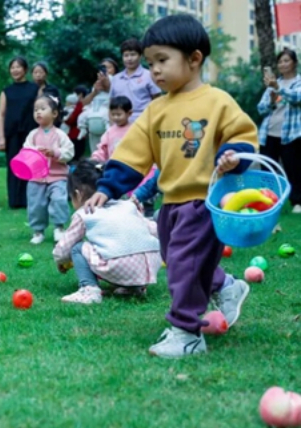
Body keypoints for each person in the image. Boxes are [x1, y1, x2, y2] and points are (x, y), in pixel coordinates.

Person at [85, 14, 256, 358]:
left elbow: (243, 136)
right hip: (171, 203)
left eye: (162, 60)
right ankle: (226, 286)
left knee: (183, 266)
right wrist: (108, 186)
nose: (155, 70)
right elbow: (133, 153)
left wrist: (233, 156)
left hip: (204, 202)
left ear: (194, 59)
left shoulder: (217, 101)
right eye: (150, 63)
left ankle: (187, 333)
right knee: (178, 259)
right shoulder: (156, 110)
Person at [53, 161, 161, 304]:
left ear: (78, 194)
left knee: (78, 248)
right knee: (121, 248)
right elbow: (153, 230)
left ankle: (89, 290)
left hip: (119, 265)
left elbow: (64, 248)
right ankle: (134, 288)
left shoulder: (85, 212)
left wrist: (61, 260)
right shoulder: (128, 206)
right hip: (150, 265)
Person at [23, 96, 74, 245]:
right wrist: (35, 151)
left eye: (42, 109)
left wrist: (55, 153)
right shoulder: (33, 135)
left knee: (59, 200)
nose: (38, 112)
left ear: (54, 114)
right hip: (36, 178)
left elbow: (69, 152)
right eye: (35, 110)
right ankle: (38, 231)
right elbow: (26, 150)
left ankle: (59, 228)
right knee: (36, 205)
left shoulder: (60, 135)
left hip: (58, 177)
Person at [258, 48, 301, 213]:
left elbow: (297, 98)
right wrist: (271, 100)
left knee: (294, 169)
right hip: (269, 134)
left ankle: (297, 202)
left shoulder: (298, 82)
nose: (282, 64)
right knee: (267, 170)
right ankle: (268, 202)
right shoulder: (272, 85)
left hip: (291, 135)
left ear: (294, 63)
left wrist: (278, 88)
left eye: (286, 61)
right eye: (280, 61)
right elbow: (261, 108)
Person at [0, 56, 39, 209]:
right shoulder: (6, 91)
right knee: (14, 165)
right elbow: (1, 115)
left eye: (18, 67)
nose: (15, 70)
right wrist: (1, 137)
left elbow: (40, 109)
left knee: (30, 165)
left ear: (25, 70)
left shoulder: (34, 89)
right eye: (12, 67)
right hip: (12, 134)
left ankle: (29, 199)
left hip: (30, 133)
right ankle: (14, 200)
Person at [109, 38, 162, 121]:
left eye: (133, 55)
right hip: (120, 122)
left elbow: (157, 100)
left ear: (140, 56)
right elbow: (111, 102)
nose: (129, 58)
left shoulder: (149, 75)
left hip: (143, 120)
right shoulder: (116, 78)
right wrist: (112, 124)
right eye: (126, 55)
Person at [90, 96, 133, 162]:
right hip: (113, 164)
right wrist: (96, 158)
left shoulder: (134, 130)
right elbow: (102, 149)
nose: (115, 117)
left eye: (119, 115)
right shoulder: (110, 132)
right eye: (113, 114)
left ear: (129, 113)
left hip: (130, 164)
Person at [64, 86, 89, 160]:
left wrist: (65, 120)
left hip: (75, 134)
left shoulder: (80, 105)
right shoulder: (85, 105)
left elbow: (72, 119)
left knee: (74, 156)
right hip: (78, 134)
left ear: (80, 94)